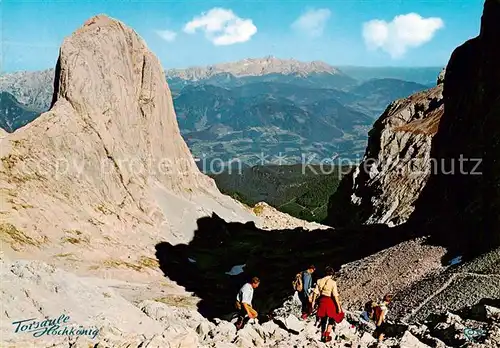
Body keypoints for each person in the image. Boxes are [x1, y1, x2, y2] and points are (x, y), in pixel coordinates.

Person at [311, 266, 344, 343]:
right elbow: (335, 295)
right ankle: (327, 334)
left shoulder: (319, 281)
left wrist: (313, 302)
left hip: (322, 301)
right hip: (330, 301)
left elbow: (315, 292)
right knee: (333, 317)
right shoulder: (333, 282)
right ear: (332, 274)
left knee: (323, 318)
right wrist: (338, 307)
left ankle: (322, 334)